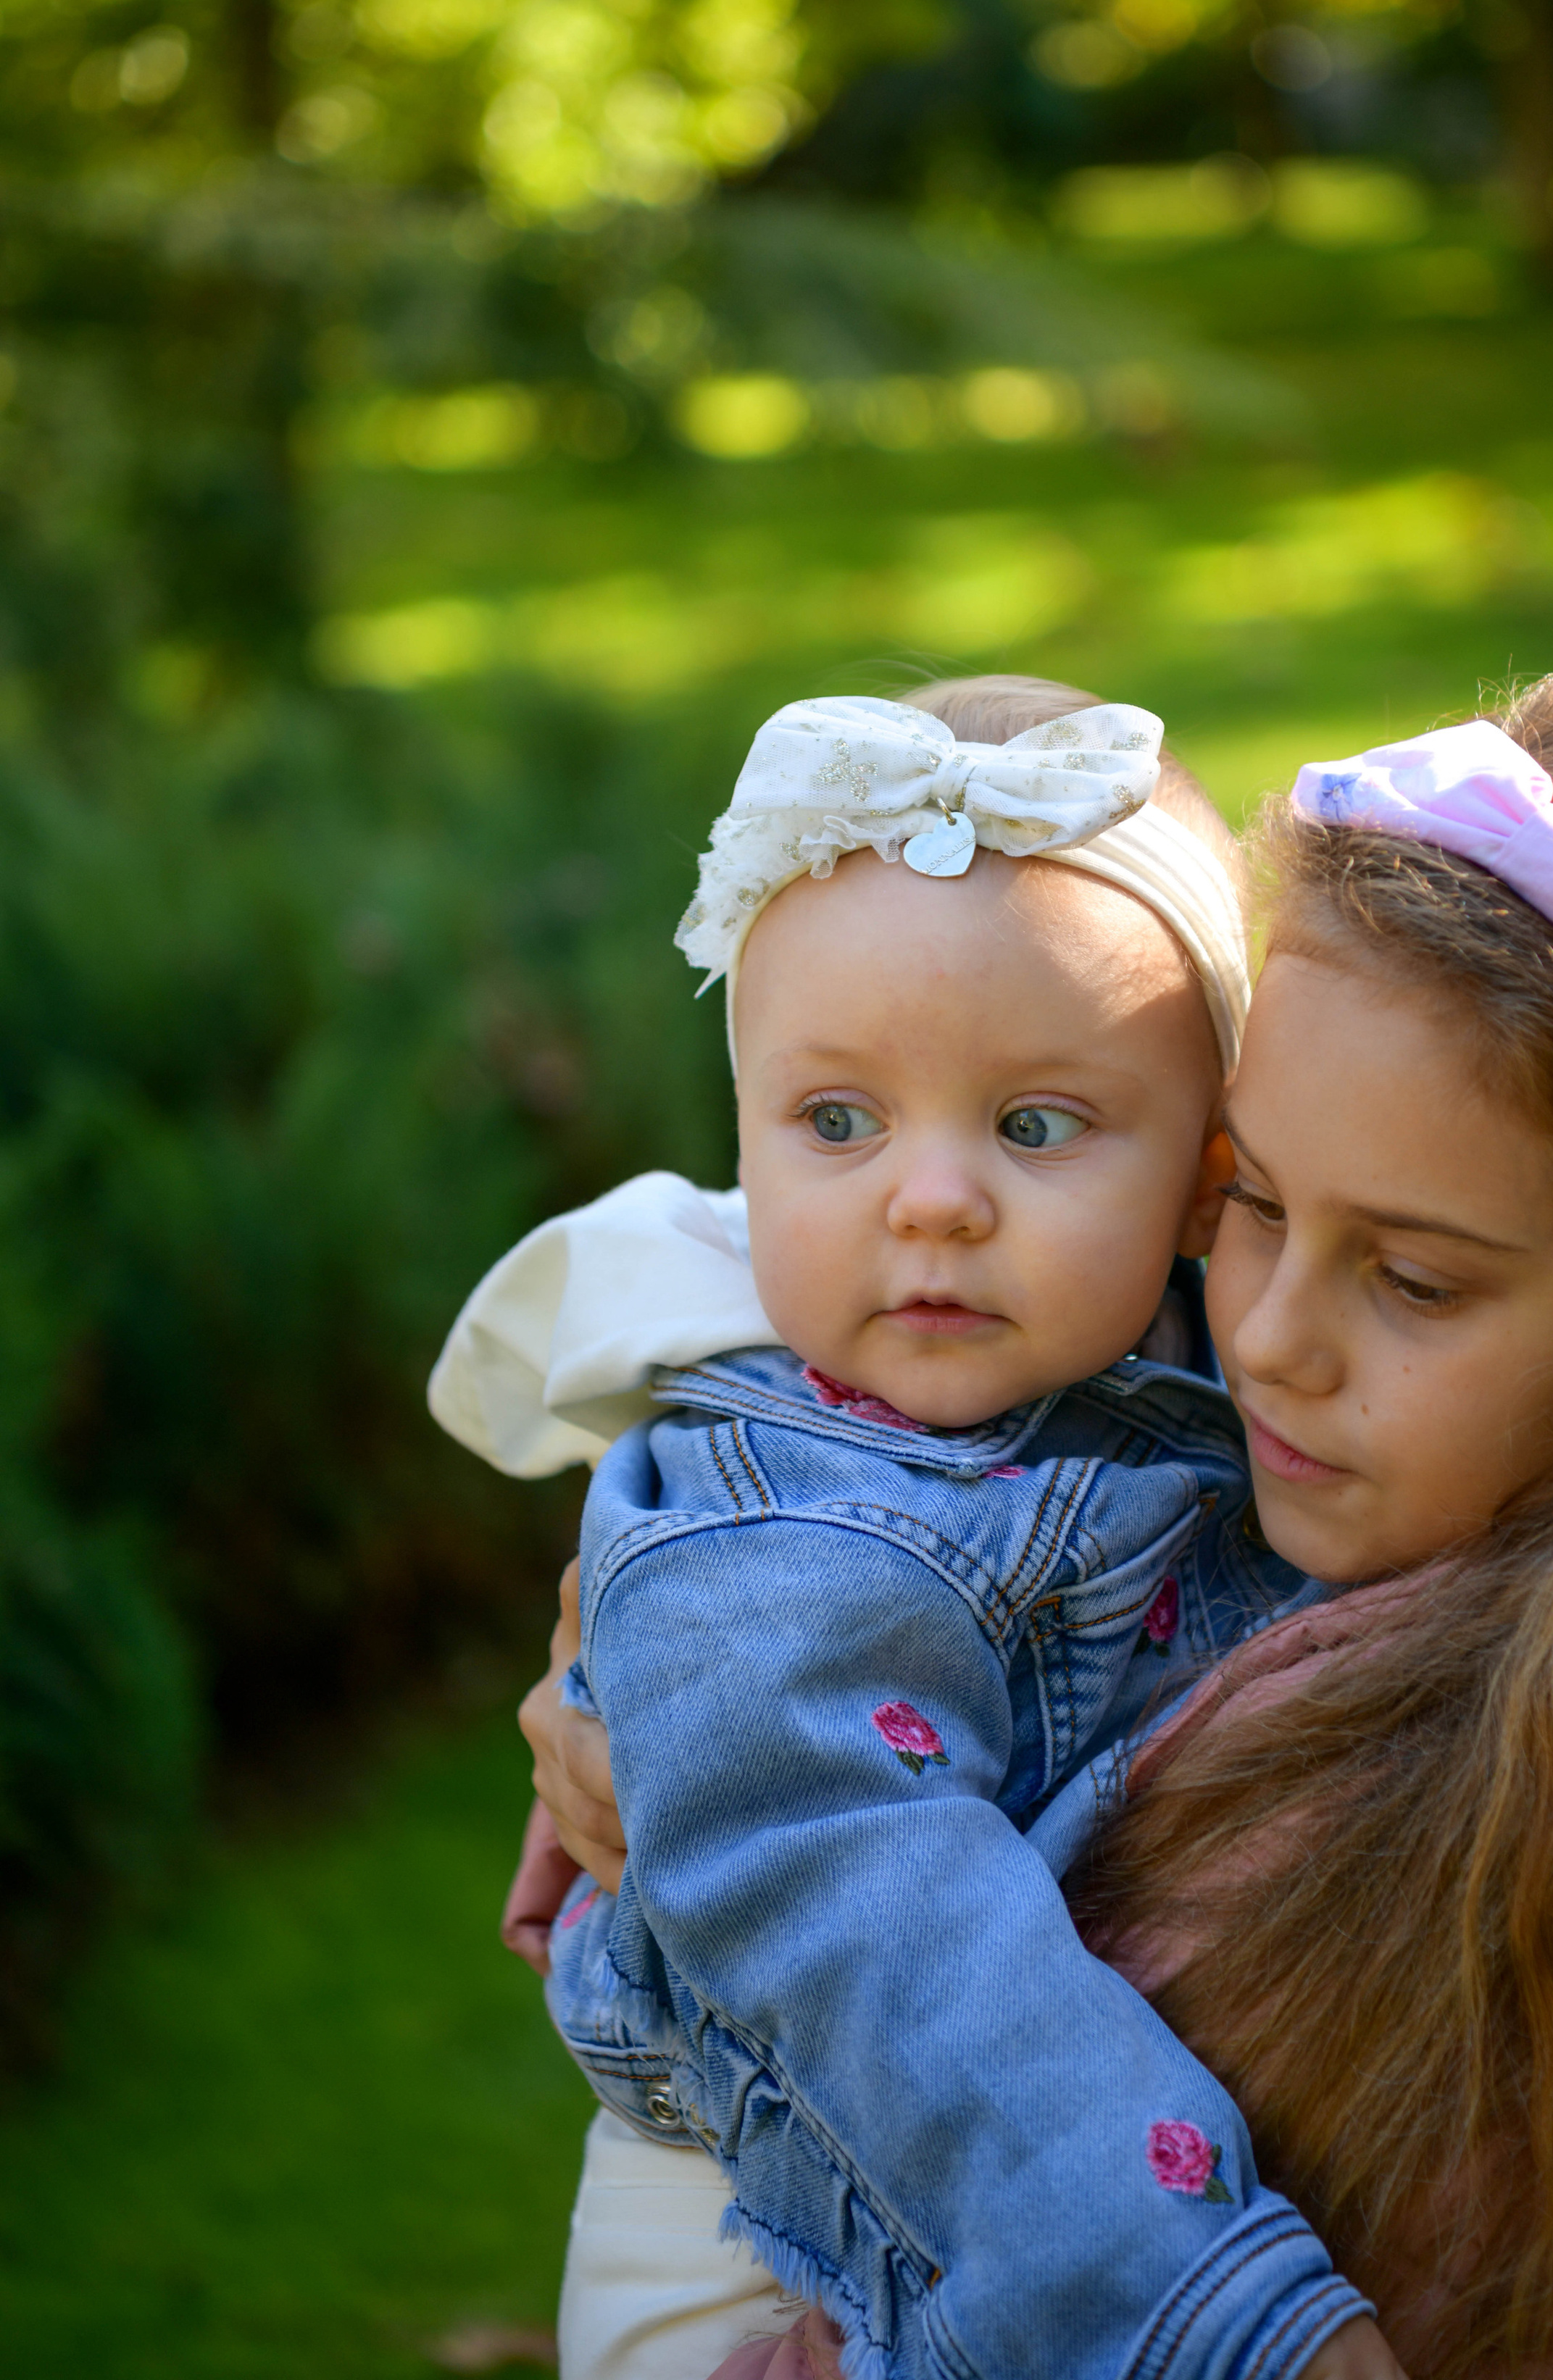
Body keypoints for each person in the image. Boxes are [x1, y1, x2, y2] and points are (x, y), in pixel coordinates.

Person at [524, 667, 1553, 2376]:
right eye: (1254, 1210)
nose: (1266, 1339)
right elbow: (878, 1934)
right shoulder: (855, 1485)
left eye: (1414, 1279)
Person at [432, 675, 1391, 2380]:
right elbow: (907, 1966)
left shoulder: (1157, 1363)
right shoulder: (777, 1547)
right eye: (835, 1122)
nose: (930, 1197)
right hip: (762, 2211)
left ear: (1202, 1182)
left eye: (1033, 1125)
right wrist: (1231, 2328)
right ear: (743, 1146)